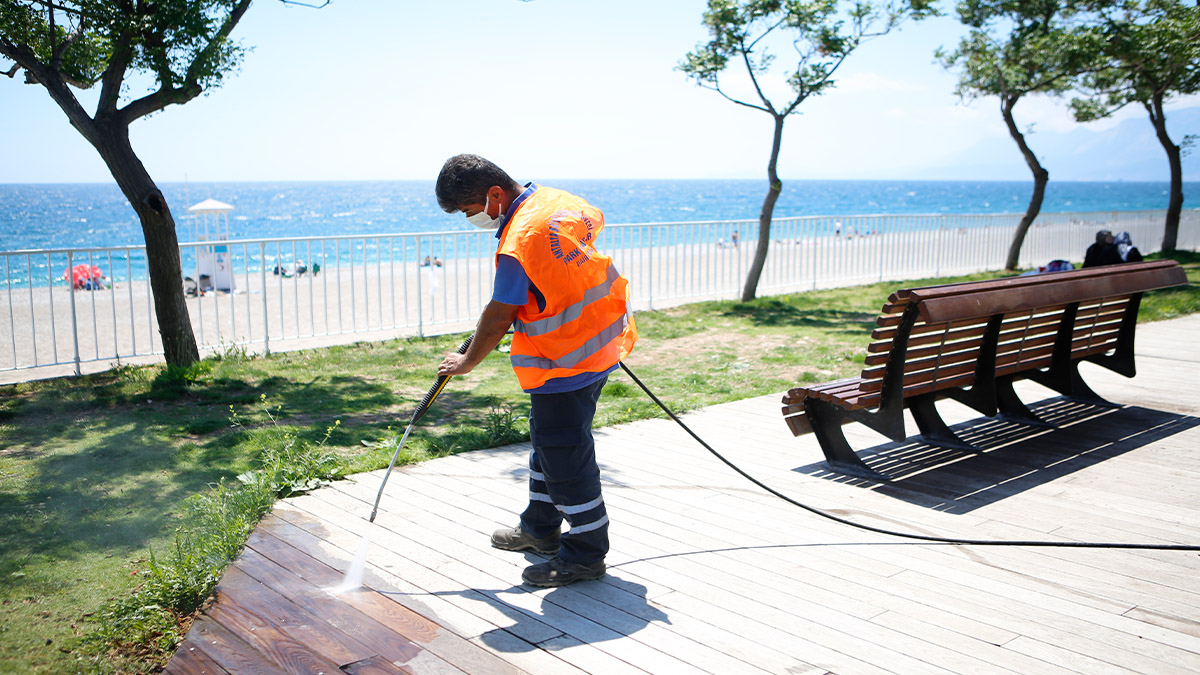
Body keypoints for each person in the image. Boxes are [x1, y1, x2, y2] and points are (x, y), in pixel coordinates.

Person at [434, 154, 638, 588]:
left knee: (567, 460)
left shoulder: (518, 242)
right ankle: (540, 530)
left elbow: (500, 313)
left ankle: (585, 554)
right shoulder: (557, 202)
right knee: (549, 446)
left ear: (494, 194)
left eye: (470, 212)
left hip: (564, 360)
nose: (471, 220)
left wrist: (467, 361)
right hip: (600, 342)